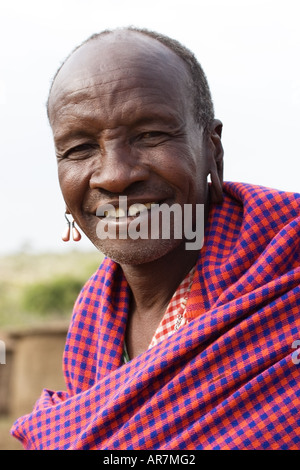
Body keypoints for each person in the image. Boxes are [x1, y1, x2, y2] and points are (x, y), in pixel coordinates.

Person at [11, 27, 300, 450]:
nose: (114, 175)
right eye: (79, 148)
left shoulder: (285, 275)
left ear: (212, 151)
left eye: (150, 135)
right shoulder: (93, 321)